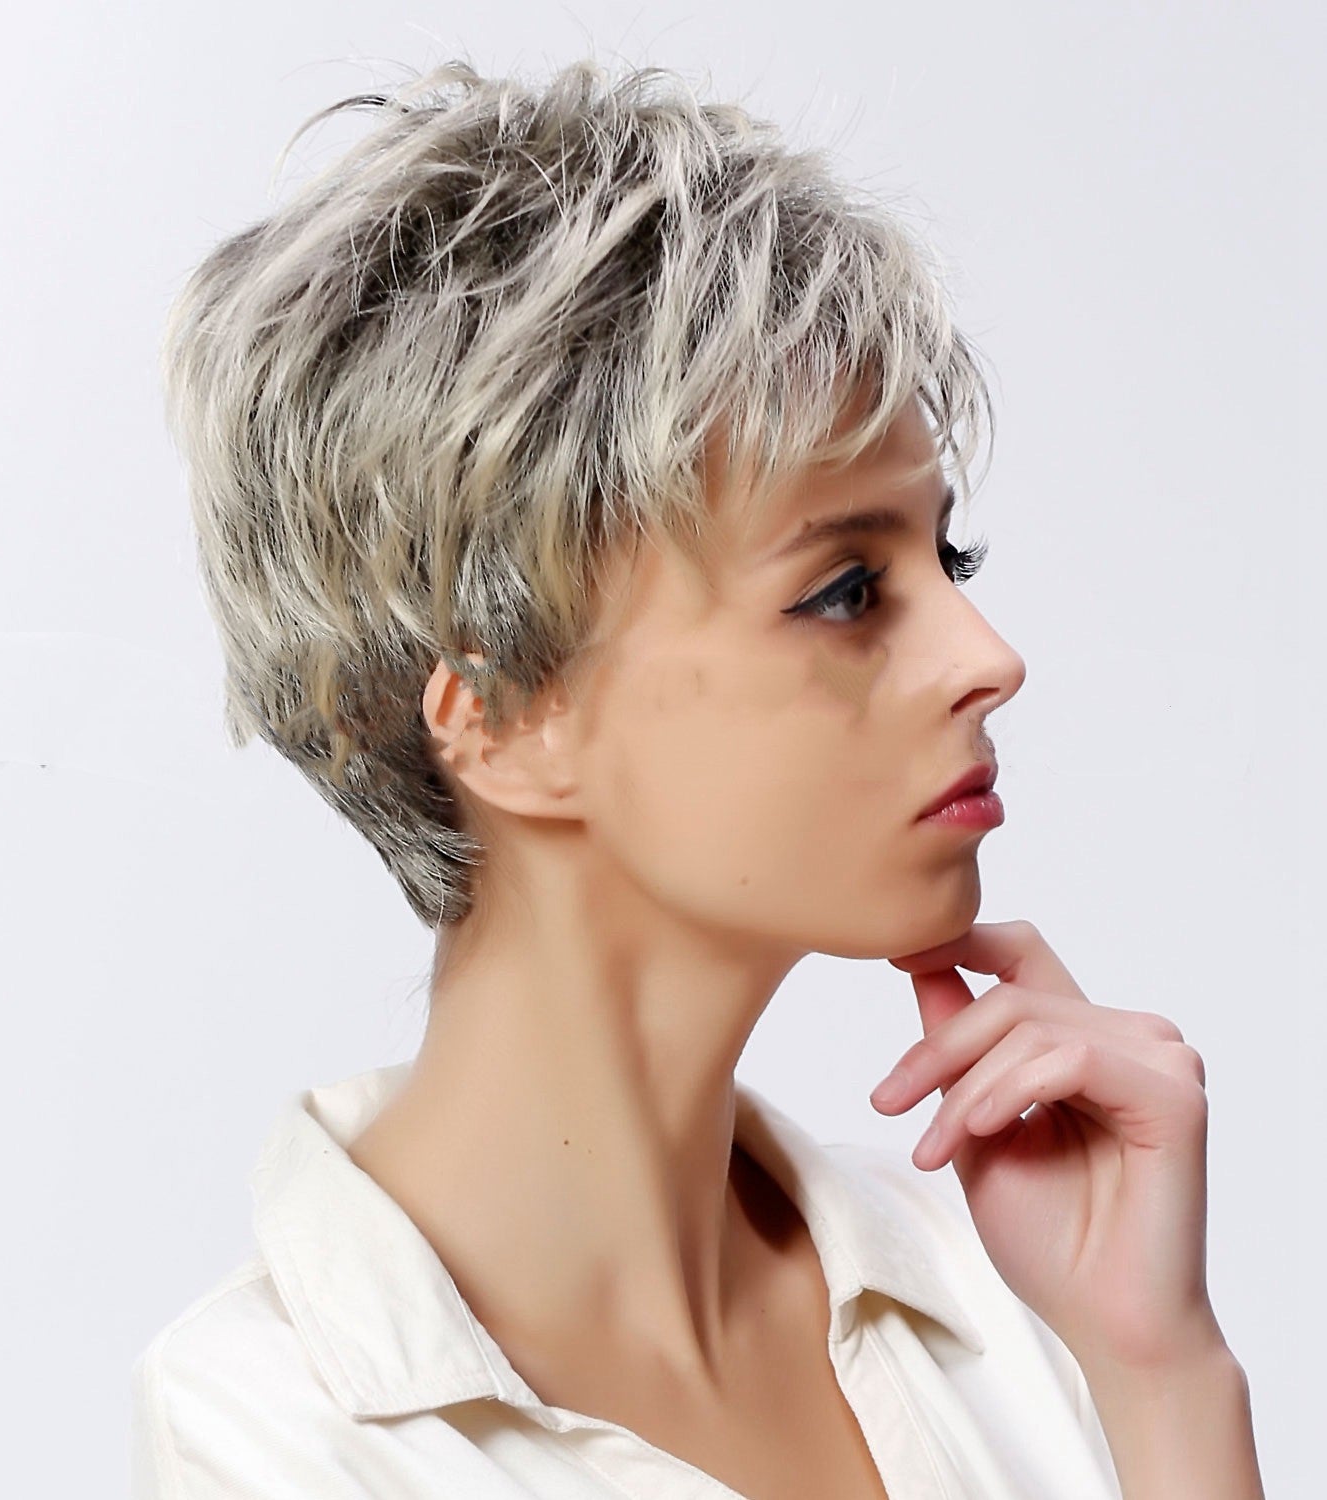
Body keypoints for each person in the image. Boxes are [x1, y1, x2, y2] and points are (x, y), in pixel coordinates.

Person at [133, 56, 1263, 1500]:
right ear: (507, 719)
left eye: (948, 556)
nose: (990, 658)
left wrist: (1161, 1379)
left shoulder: (1000, 1287)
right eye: (846, 590)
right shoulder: (268, 1440)